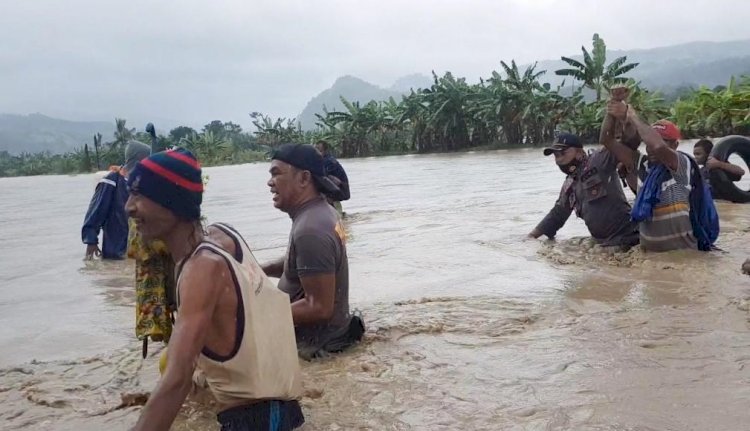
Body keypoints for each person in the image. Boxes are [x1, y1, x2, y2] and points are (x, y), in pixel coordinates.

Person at [128, 148, 304, 431]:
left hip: (255, 420)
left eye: (139, 195)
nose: (129, 206)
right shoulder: (224, 236)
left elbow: (177, 378)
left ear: (171, 203)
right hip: (279, 410)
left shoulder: (200, 268)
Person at [262, 143, 365, 360]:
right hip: (328, 339)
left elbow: (318, 307)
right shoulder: (320, 213)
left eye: (276, 173)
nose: (270, 183)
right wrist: (259, 270)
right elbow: (302, 264)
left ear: (304, 179)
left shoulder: (311, 229)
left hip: (317, 349)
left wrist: (261, 318)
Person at [603, 101, 709, 252]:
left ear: (675, 145)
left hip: (683, 255)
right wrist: (612, 111)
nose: (651, 148)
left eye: (663, 139)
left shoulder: (681, 164)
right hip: (650, 258)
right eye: (648, 142)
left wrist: (632, 116)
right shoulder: (642, 165)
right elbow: (607, 140)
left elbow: (658, 146)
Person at [528, 132, 640, 249]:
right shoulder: (569, 184)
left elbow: (626, 144)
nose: (559, 160)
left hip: (627, 236)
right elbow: (557, 215)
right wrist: (530, 237)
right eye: (556, 156)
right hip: (602, 243)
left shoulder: (598, 161)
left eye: (563, 153)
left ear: (579, 152)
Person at [82, 140, 151, 259]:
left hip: (138, 249)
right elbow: (96, 212)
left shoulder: (144, 182)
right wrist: (91, 241)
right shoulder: (111, 182)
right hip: (115, 250)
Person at [314, 140, 350, 214]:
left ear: (325, 151)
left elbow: (323, 177)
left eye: (319, 150)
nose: (317, 152)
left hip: (338, 191)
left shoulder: (328, 162)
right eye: (316, 150)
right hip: (336, 192)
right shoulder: (326, 160)